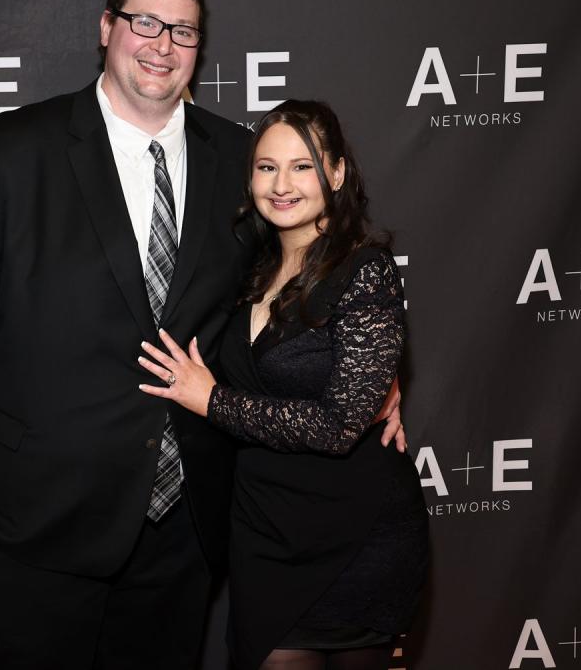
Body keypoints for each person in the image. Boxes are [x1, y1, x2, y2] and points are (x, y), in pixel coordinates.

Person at [0, 0, 406, 670]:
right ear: (106, 27)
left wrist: (373, 379)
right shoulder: (14, 148)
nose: (162, 45)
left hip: (184, 517)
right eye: (145, 22)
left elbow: (306, 278)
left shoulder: (241, 156)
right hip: (42, 506)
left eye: (183, 31)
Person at [139, 100, 428, 670]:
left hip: (356, 535)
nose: (282, 184)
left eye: (303, 166)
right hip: (264, 533)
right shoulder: (247, 269)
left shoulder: (364, 269)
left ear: (337, 173)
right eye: (267, 167)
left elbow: (338, 426)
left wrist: (211, 400)